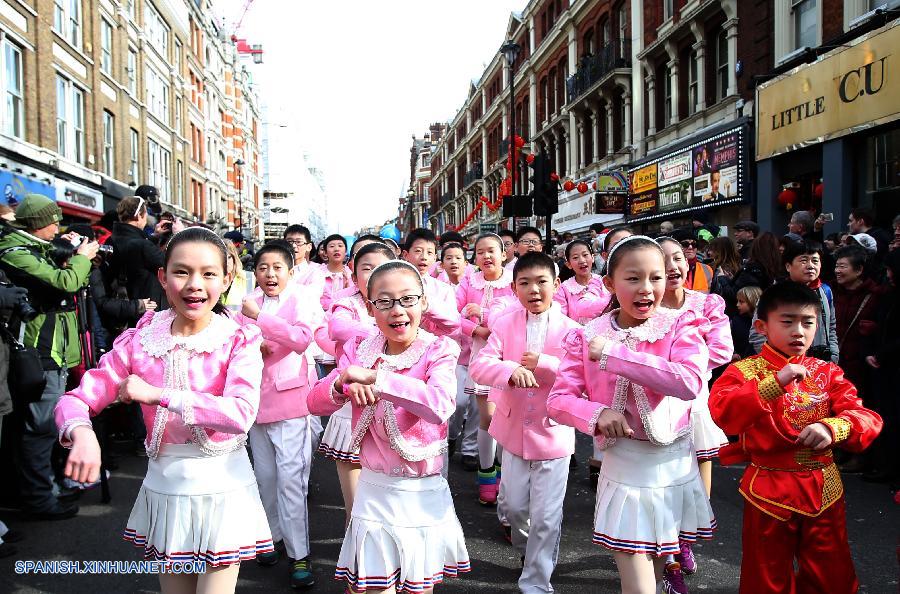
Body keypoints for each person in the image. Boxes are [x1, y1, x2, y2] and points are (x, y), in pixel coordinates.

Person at [56, 227, 272, 594]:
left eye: (208, 273)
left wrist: (159, 394)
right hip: (165, 487)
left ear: (227, 279)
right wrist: (81, 432)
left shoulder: (238, 339)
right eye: (182, 271)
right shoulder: (140, 340)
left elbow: (240, 413)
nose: (195, 284)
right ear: (162, 277)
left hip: (223, 487)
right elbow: (77, 398)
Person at [547, 236, 714, 594]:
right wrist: (595, 412)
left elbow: (689, 381)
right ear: (609, 283)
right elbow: (559, 399)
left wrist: (613, 354)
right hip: (624, 465)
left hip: (674, 464)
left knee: (654, 570)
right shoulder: (587, 335)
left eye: (656, 277)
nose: (647, 289)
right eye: (634, 278)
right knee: (638, 583)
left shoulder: (681, 325)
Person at [709, 281, 883, 594]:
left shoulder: (827, 372)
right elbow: (723, 411)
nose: (798, 332)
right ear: (763, 325)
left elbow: (865, 417)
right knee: (767, 576)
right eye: (787, 322)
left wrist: (833, 428)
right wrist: (774, 382)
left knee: (832, 573)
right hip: (768, 487)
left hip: (823, 487)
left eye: (808, 322)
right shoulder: (744, 371)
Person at [307, 260, 470, 593]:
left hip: (421, 493)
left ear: (424, 302)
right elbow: (314, 402)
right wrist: (340, 386)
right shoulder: (358, 349)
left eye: (408, 299)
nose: (398, 310)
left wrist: (379, 380)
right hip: (373, 489)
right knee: (370, 588)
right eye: (385, 301)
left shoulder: (439, 349)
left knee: (418, 588)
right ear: (370, 308)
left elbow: (439, 405)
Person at [469, 251, 579, 593]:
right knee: (515, 510)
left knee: (547, 516)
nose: (534, 290)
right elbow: (479, 366)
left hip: (554, 433)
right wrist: (510, 370)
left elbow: (581, 380)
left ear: (556, 285)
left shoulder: (573, 331)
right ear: (514, 289)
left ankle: (536, 580)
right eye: (525, 283)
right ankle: (529, 554)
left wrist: (544, 365)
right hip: (512, 430)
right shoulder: (504, 324)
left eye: (541, 282)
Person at [0, 193, 99, 520]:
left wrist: (71, 253)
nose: (58, 226)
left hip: (55, 350)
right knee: (39, 430)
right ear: (38, 224)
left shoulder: (38, 248)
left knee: (46, 426)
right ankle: (39, 499)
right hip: (39, 351)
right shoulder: (14, 251)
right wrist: (80, 258)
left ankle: (48, 488)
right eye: (53, 221)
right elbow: (66, 282)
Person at [234, 241, 318, 588]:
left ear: (290, 270)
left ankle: (300, 554)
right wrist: (255, 343)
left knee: (291, 482)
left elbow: (301, 339)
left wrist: (261, 320)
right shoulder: (246, 301)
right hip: (254, 403)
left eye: (277, 267)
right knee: (265, 478)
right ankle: (272, 537)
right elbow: (236, 341)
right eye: (263, 267)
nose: (270, 274)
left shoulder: (301, 298)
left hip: (290, 402)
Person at [656, 237, 733, 587]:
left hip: (695, 400)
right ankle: (667, 557)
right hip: (654, 405)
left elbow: (722, 350)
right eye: (663, 261)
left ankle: (685, 541)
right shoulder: (642, 308)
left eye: (677, 258)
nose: (672, 266)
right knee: (659, 482)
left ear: (689, 263)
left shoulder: (707, 304)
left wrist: (681, 367)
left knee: (695, 483)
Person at [321, 242, 394, 526]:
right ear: (354, 276)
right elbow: (337, 329)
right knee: (356, 507)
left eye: (381, 267)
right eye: (366, 268)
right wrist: (382, 328)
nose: (374, 273)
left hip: (391, 402)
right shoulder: (346, 302)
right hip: (351, 400)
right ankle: (357, 554)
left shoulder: (404, 302)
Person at [455, 233, 514, 506]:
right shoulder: (469, 281)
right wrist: (475, 328)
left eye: (491, 251)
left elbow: (519, 311)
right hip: (481, 354)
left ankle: (504, 472)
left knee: (507, 415)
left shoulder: (515, 282)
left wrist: (486, 315)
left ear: (504, 254)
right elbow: (453, 315)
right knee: (487, 417)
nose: (486, 256)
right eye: (480, 252)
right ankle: (487, 473)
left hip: (511, 354)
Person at [749, 240, 839, 363]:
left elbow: (831, 327)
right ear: (788, 266)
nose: (810, 266)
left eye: (815, 261)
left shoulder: (825, 292)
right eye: (803, 260)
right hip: (783, 366)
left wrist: (833, 356)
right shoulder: (775, 294)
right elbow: (757, 334)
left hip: (820, 364)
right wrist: (778, 363)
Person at [108, 196, 171, 310]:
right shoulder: (143, 246)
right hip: (146, 307)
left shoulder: (111, 240)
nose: (146, 220)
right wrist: (179, 234)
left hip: (121, 306)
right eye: (146, 215)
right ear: (139, 216)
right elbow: (171, 264)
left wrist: (154, 236)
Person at [402, 228, 462, 338]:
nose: (424, 257)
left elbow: (455, 328)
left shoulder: (444, 289)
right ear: (406, 255)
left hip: (433, 348)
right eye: (418, 251)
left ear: (435, 258)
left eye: (429, 252)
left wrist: (429, 307)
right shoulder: (395, 285)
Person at [554, 239, 609, 324]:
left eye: (585, 255)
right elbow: (561, 318)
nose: (582, 260)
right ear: (569, 264)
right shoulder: (563, 289)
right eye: (575, 257)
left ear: (592, 258)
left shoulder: (604, 282)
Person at [707, 236, 742, 315]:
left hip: (720, 309)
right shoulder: (739, 266)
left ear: (720, 251)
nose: (709, 253)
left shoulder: (715, 268)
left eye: (712, 250)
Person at [283, 224, 324, 290]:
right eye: (289, 242)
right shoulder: (276, 270)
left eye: (298, 242)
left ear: (309, 247)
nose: (293, 246)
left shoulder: (315, 273)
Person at [731, 286, 762, 360]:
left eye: (741, 302)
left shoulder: (763, 321)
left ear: (752, 301)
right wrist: (734, 353)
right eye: (737, 301)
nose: (737, 305)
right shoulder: (735, 321)